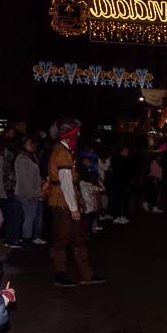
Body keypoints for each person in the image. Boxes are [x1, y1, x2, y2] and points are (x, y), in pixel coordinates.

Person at [47, 119, 104, 287]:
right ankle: (60, 273)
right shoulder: (62, 152)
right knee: (61, 238)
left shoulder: (65, 151)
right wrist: (73, 208)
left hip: (67, 200)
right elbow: (65, 183)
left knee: (78, 238)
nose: (78, 135)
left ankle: (87, 274)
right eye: (76, 132)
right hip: (63, 201)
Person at [14, 136, 44, 245]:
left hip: (33, 191)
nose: (33, 146)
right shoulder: (22, 158)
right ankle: (26, 239)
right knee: (29, 216)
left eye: (33, 143)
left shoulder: (31, 157)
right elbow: (24, 178)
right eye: (30, 144)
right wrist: (30, 194)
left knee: (31, 216)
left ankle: (28, 238)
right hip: (26, 192)